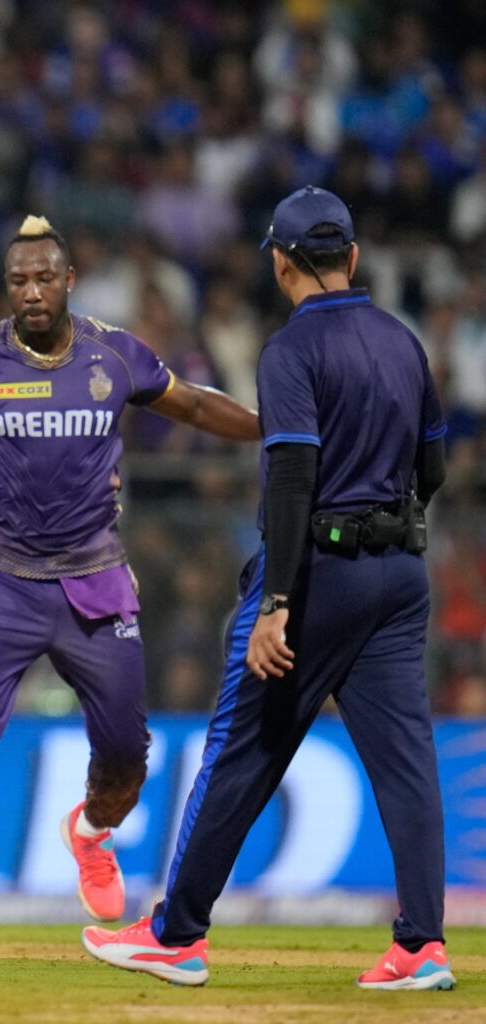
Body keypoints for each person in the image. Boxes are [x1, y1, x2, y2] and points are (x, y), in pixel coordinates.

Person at [83, 186, 453, 990]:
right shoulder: (403, 341)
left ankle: (176, 935)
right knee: (407, 763)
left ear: (282, 264)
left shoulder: (291, 350)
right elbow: (434, 469)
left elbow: (291, 476)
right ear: (352, 258)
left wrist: (279, 604)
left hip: (319, 576)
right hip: (401, 573)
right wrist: (393, 530)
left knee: (240, 750)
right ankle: (422, 945)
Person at [0, 217, 261, 955]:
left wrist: (273, 427)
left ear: (69, 282)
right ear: (7, 287)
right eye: (19, 280)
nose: (32, 291)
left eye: (44, 278)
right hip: (0, 578)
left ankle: (90, 831)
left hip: (93, 579)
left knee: (126, 757)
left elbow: (191, 404)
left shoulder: (116, 354)